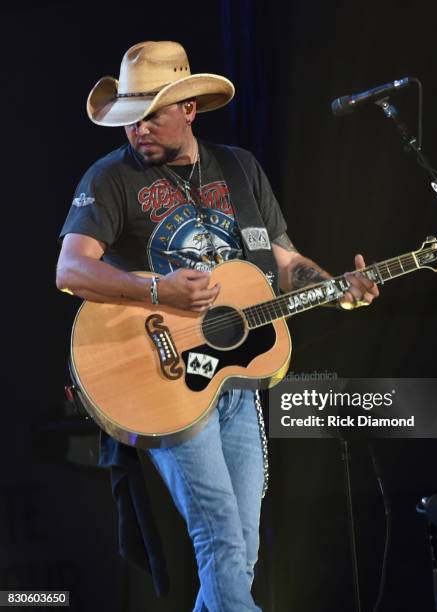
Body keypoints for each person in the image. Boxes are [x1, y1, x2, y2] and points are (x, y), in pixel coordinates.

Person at [56, 40, 379, 612]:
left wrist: (337, 290)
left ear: (189, 110)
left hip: (234, 381)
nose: (138, 131)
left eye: (151, 115)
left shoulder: (239, 168)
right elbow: (71, 269)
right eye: (130, 118)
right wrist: (158, 288)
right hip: (168, 382)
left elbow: (284, 263)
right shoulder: (109, 179)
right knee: (222, 540)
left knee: (242, 548)